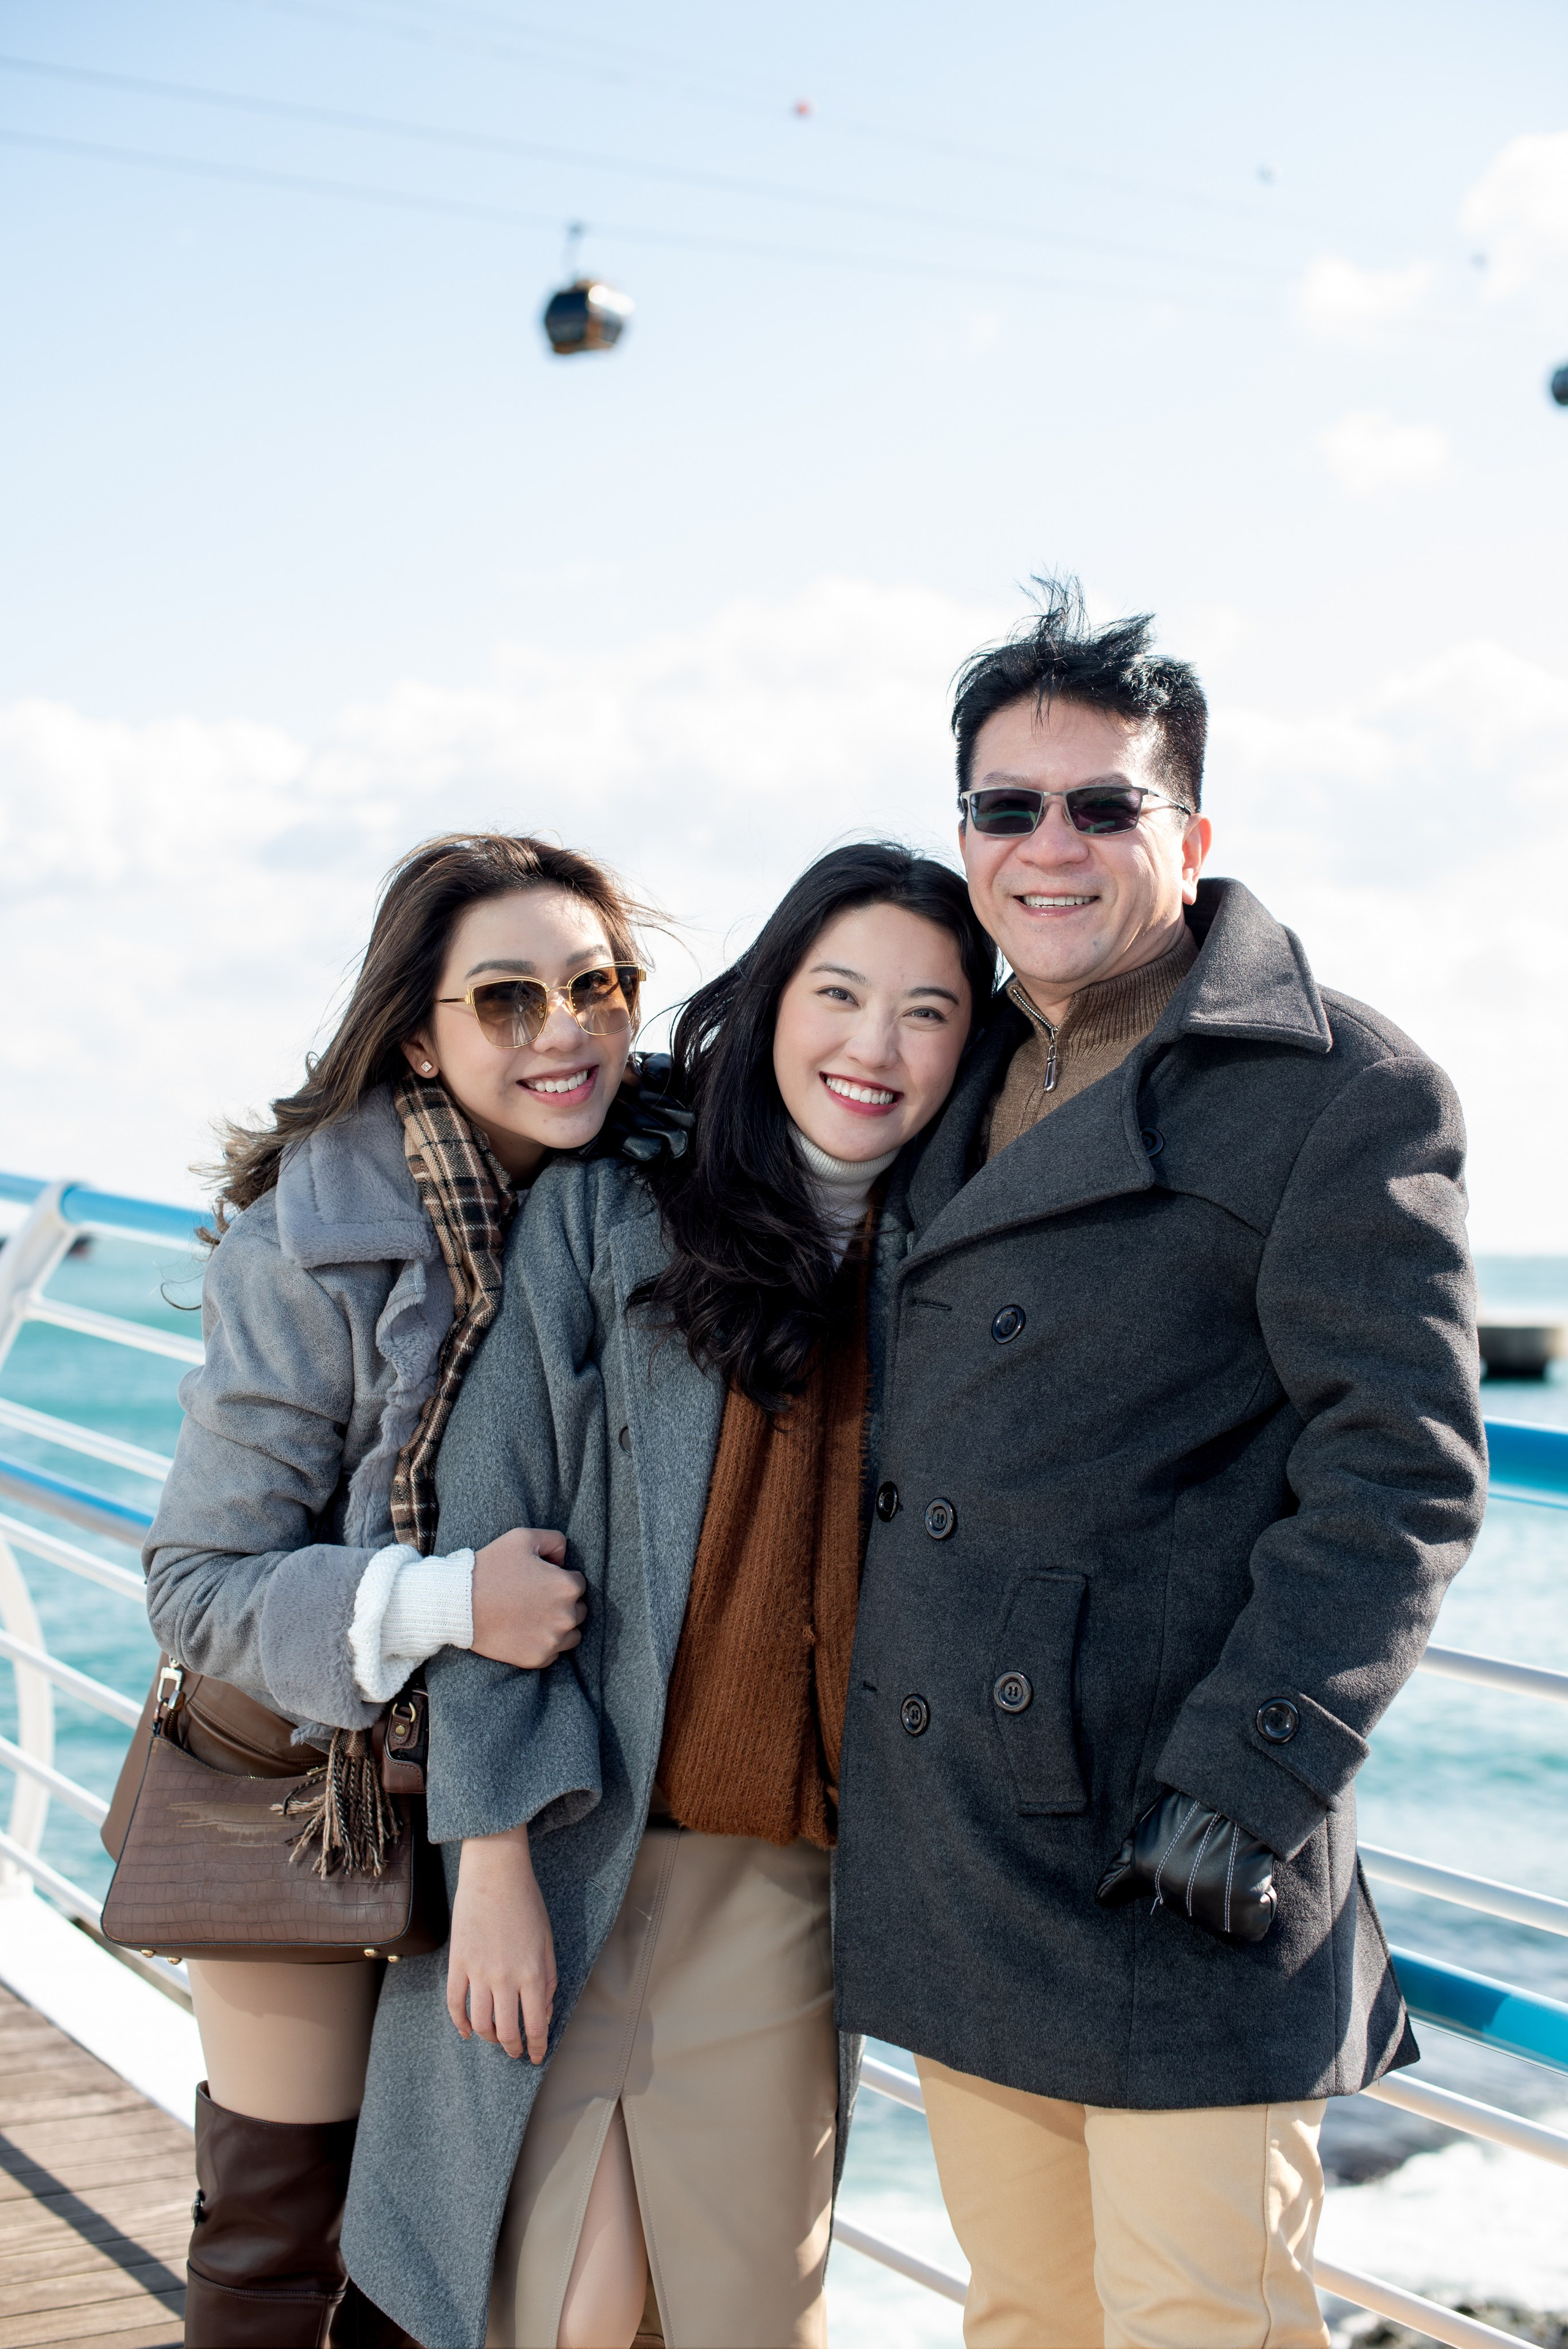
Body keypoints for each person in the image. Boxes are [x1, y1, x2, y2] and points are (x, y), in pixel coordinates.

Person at [830, 582, 1489, 2349]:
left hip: (1186, 1845)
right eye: (1006, 806)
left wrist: (1256, 1772)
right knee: (1028, 2315)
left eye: (1103, 803)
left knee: (1204, 2324)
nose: (1052, 844)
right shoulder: (955, 1059)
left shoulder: (1345, 1085)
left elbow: (1403, 1469)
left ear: (1188, 828)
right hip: (972, 1829)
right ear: (964, 831)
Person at [342, 843, 1000, 2349]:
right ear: (772, 1003)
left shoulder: (958, 1262)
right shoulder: (611, 1215)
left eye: (926, 1011)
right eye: (837, 994)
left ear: (973, 1043)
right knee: (560, 2300)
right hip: (571, 1837)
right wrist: (489, 1859)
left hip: (779, 1888)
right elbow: (497, 1528)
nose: (870, 1045)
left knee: (735, 2309)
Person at [143, 831, 655, 2347]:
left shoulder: (652, 1196)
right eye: (505, 1000)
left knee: (445, 2246)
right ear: (419, 1037)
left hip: (534, 1787)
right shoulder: (317, 1238)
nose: (564, 1030)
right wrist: (442, 1604)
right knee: (278, 2230)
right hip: (312, 1777)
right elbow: (196, 1583)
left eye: (599, 986)